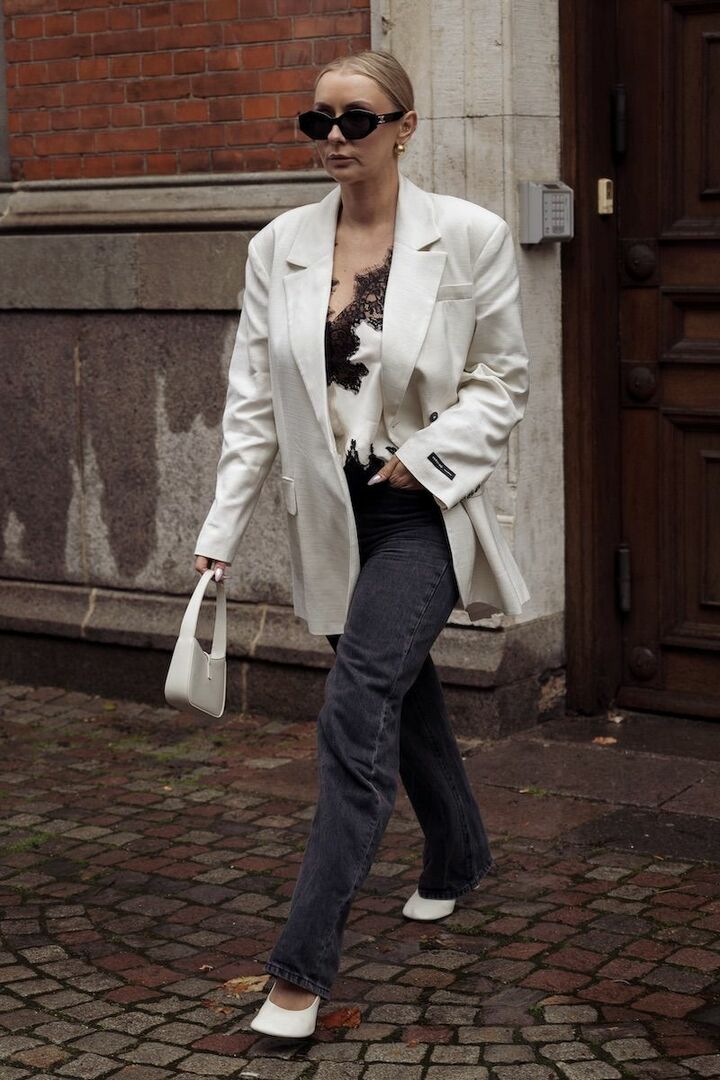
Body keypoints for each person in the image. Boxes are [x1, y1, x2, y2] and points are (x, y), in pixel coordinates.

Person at [194, 49, 531, 1038]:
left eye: (356, 119)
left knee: (353, 713)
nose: (334, 137)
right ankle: (459, 854)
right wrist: (220, 531)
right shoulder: (278, 246)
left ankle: (298, 975)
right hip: (331, 517)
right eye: (318, 121)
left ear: (405, 126)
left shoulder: (468, 236)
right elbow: (252, 401)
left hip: (418, 510)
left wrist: (428, 457)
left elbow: (504, 379)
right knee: (399, 698)